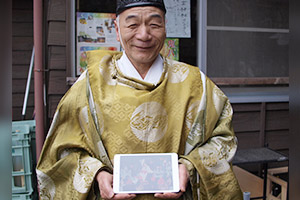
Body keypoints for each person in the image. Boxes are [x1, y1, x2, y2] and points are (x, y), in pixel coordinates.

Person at [36, 0, 243, 199]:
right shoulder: (91, 84)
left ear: (165, 27)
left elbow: (223, 138)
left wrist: (189, 168)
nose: (144, 35)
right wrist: (97, 174)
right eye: (132, 25)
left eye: (154, 25)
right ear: (117, 29)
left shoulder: (195, 84)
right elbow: (61, 151)